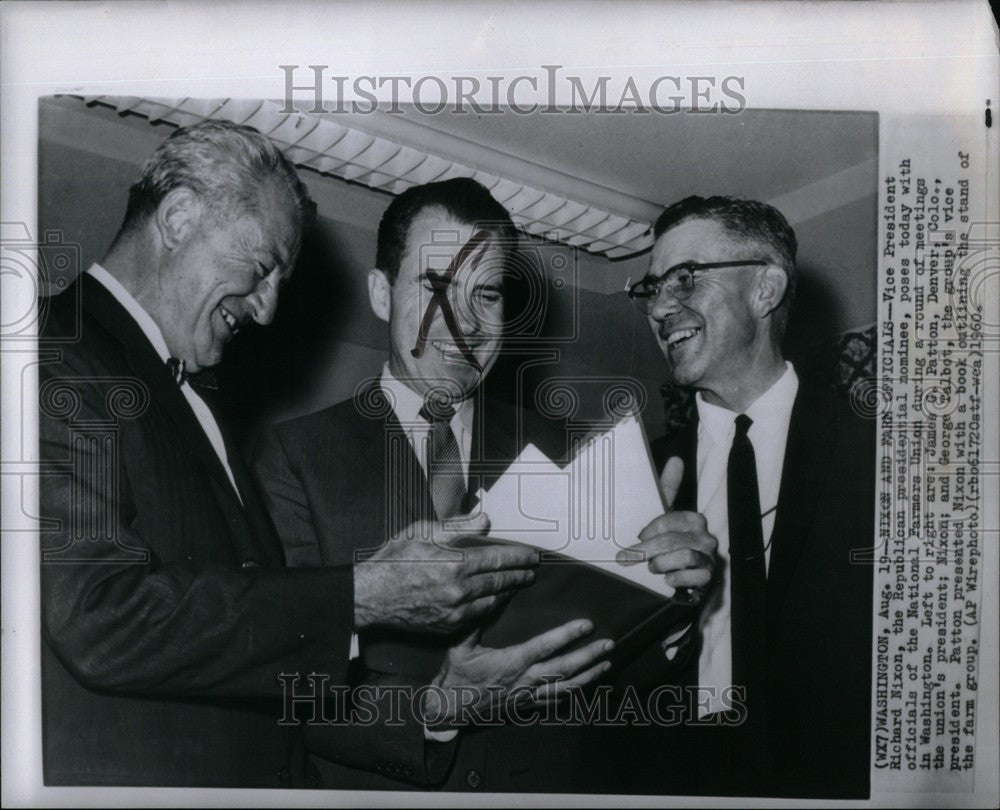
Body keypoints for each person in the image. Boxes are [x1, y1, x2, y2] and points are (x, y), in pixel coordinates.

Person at [37, 121, 577, 788]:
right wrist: (362, 597)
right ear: (178, 217)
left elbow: (245, 633)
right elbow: (99, 615)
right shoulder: (58, 353)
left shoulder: (192, 398)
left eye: (487, 295)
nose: (267, 312)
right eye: (262, 268)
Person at [252, 177, 717, 792]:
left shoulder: (567, 451)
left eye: (488, 294)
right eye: (436, 286)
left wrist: (673, 604)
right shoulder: (293, 458)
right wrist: (438, 712)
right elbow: (282, 689)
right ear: (381, 293)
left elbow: (610, 673)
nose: (463, 322)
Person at [619, 195, 875, 798]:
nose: (659, 307)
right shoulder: (636, 475)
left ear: (765, 290)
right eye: (651, 288)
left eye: (685, 279)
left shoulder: (882, 455)